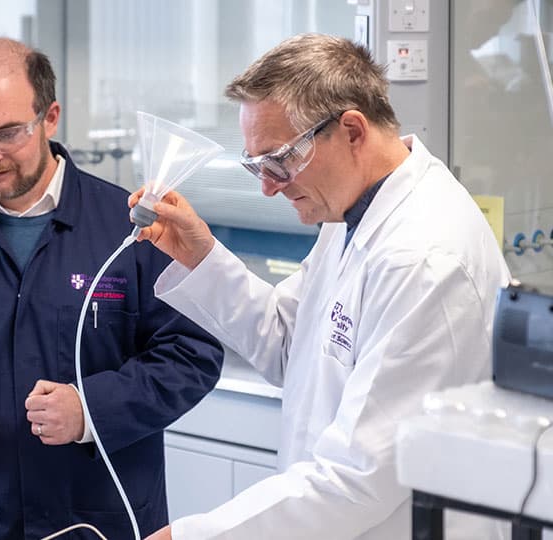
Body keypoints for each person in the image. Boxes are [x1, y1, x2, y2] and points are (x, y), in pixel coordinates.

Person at [131, 34, 511, 539]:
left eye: (279, 160)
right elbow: (292, 345)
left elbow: (359, 477)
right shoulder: (350, 213)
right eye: (256, 166)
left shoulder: (423, 257)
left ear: (351, 130)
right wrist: (200, 257)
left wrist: (193, 535)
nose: (268, 186)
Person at [0, 37, 224, 539]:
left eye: (7, 133)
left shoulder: (131, 228)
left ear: (50, 117)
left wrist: (91, 410)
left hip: (101, 519)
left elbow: (193, 353)